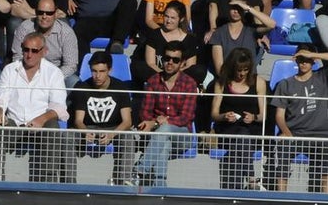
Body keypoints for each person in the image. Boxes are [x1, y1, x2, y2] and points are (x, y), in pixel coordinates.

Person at [0, 32, 74, 183]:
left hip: (41, 124)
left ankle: (45, 183)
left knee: (52, 126)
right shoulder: (10, 70)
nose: (29, 54)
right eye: (26, 49)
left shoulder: (54, 73)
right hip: (14, 122)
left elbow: (59, 107)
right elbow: (0, 100)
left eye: (34, 50)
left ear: (44, 51)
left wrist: (41, 119)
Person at [133, 43, 199, 187]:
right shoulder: (153, 81)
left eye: (175, 60)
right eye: (167, 58)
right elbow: (145, 112)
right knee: (164, 140)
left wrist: (159, 122)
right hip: (158, 137)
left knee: (165, 129)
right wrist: (155, 123)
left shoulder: (189, 84)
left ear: (182, 63)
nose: (170, 62)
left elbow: (185, 117)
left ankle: (139, 170)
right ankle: (160, 184)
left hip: (182, 136)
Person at [265, 47, 328, 192]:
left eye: (307, 60)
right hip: (294, 133)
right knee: (282, 152)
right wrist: (287, 133)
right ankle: (281, 198)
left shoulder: (323, 77)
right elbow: (279, 115)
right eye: (301, 59)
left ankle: (325, 203)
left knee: (326, 172)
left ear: (313, 61)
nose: (304, 63)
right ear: (296, 59)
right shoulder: (285, 84)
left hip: (322, 135)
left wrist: (312, 54)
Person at [71, 51, 134, 185]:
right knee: (68, 136)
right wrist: (84, 131)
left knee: (128, 136)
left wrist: (112, 134)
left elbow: (127, 122)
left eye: (102, 71)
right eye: (94, 71)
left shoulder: (120, 87)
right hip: (88, 126)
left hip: (113, 128)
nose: (97, 76)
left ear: (109, 70)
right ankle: (68, 182)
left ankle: (123, 181)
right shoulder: (83, 87)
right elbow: (78, 120)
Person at [211, 46, 267, 190]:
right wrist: (224, 116)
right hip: (227, 129)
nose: (242, 74)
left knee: (241, 140)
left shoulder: (259, 82)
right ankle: (251, 179)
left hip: (251, 129)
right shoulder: (221, 83)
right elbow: (214, 114)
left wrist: (254, 117)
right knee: (241, 139)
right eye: (239, 70)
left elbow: (263, 115)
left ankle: (233, 191)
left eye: (245, 70)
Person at [10, 0, 78, 88]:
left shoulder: (66, 32)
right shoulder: (25, 28)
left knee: (73, 81)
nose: (44, 16)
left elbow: (70, 65)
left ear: (55, 13)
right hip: (28, 73)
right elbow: (17, 58)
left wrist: (51, 78)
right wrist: (31, 76)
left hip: (56, 74)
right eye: (40, 12)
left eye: (49, 13)